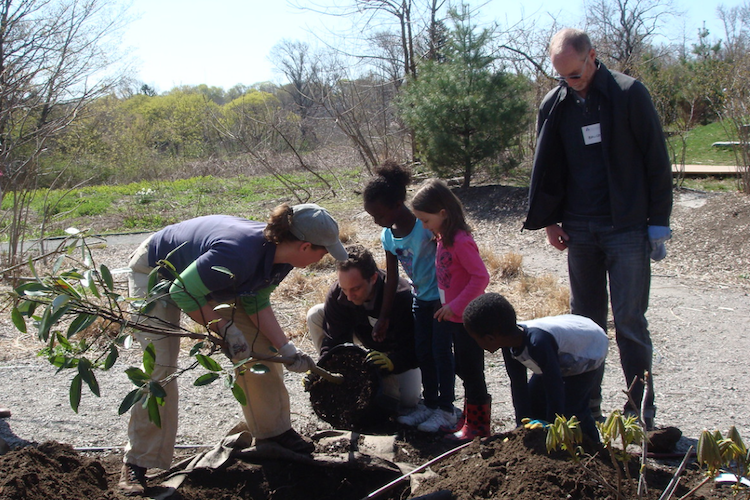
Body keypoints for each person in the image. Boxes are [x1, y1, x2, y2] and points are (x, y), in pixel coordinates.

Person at [120, 203, 348, 495]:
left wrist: (285, 347)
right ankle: (137, 461)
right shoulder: (238, 253)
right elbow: (181, 292)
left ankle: (273, 433)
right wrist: (225, 328)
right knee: (161, 365)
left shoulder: (282, 258)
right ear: (304, 246)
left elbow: (255, 302)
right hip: (157, 271)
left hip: (204, 279)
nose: (323, 257)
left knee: (259, 345)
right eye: (323, 251)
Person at [523, 28, 673, 429]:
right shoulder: (555, 105)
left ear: (593, 56)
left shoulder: (628, 94)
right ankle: (586, 407)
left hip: (626, 227)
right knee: (585, 324)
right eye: (561, 77)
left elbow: (657, 160)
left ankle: (640, 411)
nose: (568, 83)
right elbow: (548, 169)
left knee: (629, 322)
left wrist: (659, 222)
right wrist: (551, 220)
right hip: (579, 230)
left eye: (574, 74)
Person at [363, 161, 456, 433]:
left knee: (441, 354)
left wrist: (452, 299)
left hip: (441, 301)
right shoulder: (388, 236)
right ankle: (430, 404)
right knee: (424, 353)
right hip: (420, 300)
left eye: (378, 215)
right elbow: (392, 279)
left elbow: (451, 255)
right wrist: (383, 317)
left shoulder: (424, 226)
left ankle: (447, 409)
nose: (376, 221)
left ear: (396, 205)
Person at [463, 293, 608, 443]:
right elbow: (518, 385)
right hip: (558, 354)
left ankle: (595, 447)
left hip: (587, 350)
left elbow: (555, 387)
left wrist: (553, 427)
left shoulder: (537, 343)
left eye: (476, 339)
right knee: (535, 401)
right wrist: (522, 427)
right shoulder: (510, 343)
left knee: (572, 410)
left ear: (490, 338)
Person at [411, 179, 491, 441]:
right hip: (451, 316)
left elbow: (480, 277)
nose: (423, 226)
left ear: (443, 212)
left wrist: (455, 306)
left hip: (465, 318)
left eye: (425, 220)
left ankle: (478, 427)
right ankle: (467, 421)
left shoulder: (459, 240)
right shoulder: (443, 237)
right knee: (462, 368)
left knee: (471, 371)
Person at [306, 244, 422, 414]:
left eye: (356, 289)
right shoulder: (340, 294)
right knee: (316, 313)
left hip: (394, 349)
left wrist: (393, 362)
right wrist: (322, 369)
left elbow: (415, 345)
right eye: (344, 289)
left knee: (408, 401)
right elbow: (334, 339)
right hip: (362, 334)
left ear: (373, 278)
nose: (349, 296)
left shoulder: (400, 296)